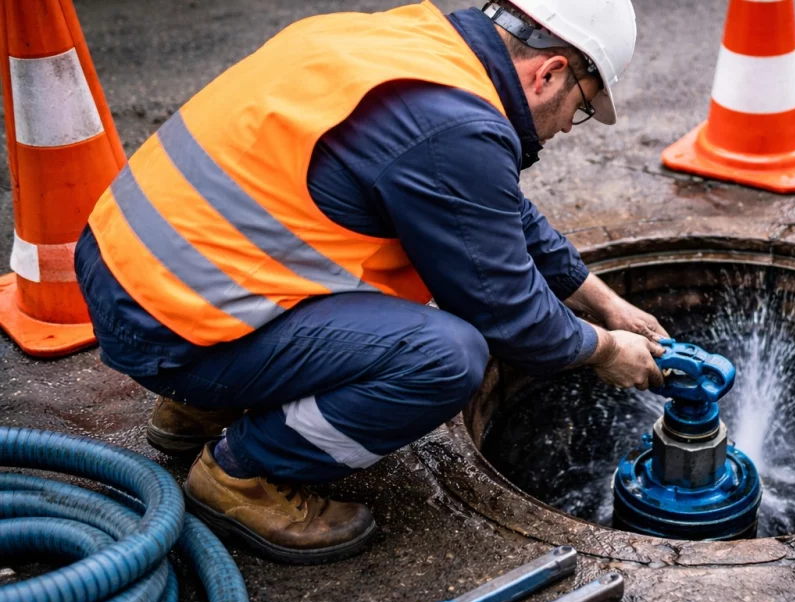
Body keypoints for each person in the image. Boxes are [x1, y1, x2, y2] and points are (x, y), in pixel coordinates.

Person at [73, 0, 667, 564]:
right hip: (166, 328)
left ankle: (197, 405)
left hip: (129, 272)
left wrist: (603, 301)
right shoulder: (454, 128)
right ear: (550, 72)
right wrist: (606, 349)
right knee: (447, 358)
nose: (567, 127)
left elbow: (492, 206)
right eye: (580, 107)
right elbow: (512, 316)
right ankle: (243, 474)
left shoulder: (412, 46)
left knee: (351, 277)